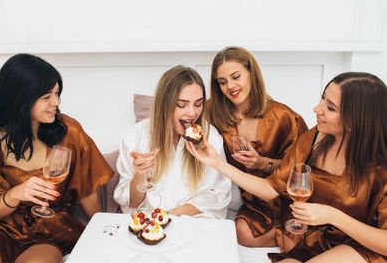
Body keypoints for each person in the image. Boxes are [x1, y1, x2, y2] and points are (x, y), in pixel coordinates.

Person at [186, 71, 387, 262]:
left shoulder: (381, 166)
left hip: (362, 245)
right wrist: (217, 162)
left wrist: (333, 216)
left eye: (330, 107)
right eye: (322, 98)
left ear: (356, 121)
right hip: (314, 238)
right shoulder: (316, 137)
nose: (317, 109)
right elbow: (270, 189)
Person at [0, 54, 114, 263]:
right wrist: (15, 194)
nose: (55, 103)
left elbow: (86, 189)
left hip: (49, 231)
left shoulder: (69, 131)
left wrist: (101, 230)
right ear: (19, 98)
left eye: (57, 93)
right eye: (46, 97)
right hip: (0, 228)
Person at [207, 46, 308, 246]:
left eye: (236, 77)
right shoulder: (213, 113)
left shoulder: (283, 117)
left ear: (252, 74)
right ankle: (292, 236)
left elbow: (301, 170)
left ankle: (302, 235)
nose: (230, 86)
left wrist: (263, 163)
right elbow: (182, 112)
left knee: (297, 235)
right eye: (222, 82)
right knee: (242, 233)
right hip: (254, 201)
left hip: (288, 195)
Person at [113, 65, 232, 218]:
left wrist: (170, 216)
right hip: (150, 224)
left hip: (194, 221)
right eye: (181, 105)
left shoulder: (210, 137)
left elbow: (218, 194)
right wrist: (140, 174)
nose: (192, 113)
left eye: (198, 104)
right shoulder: (134, 137)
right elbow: (132, 203)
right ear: (164, 104)